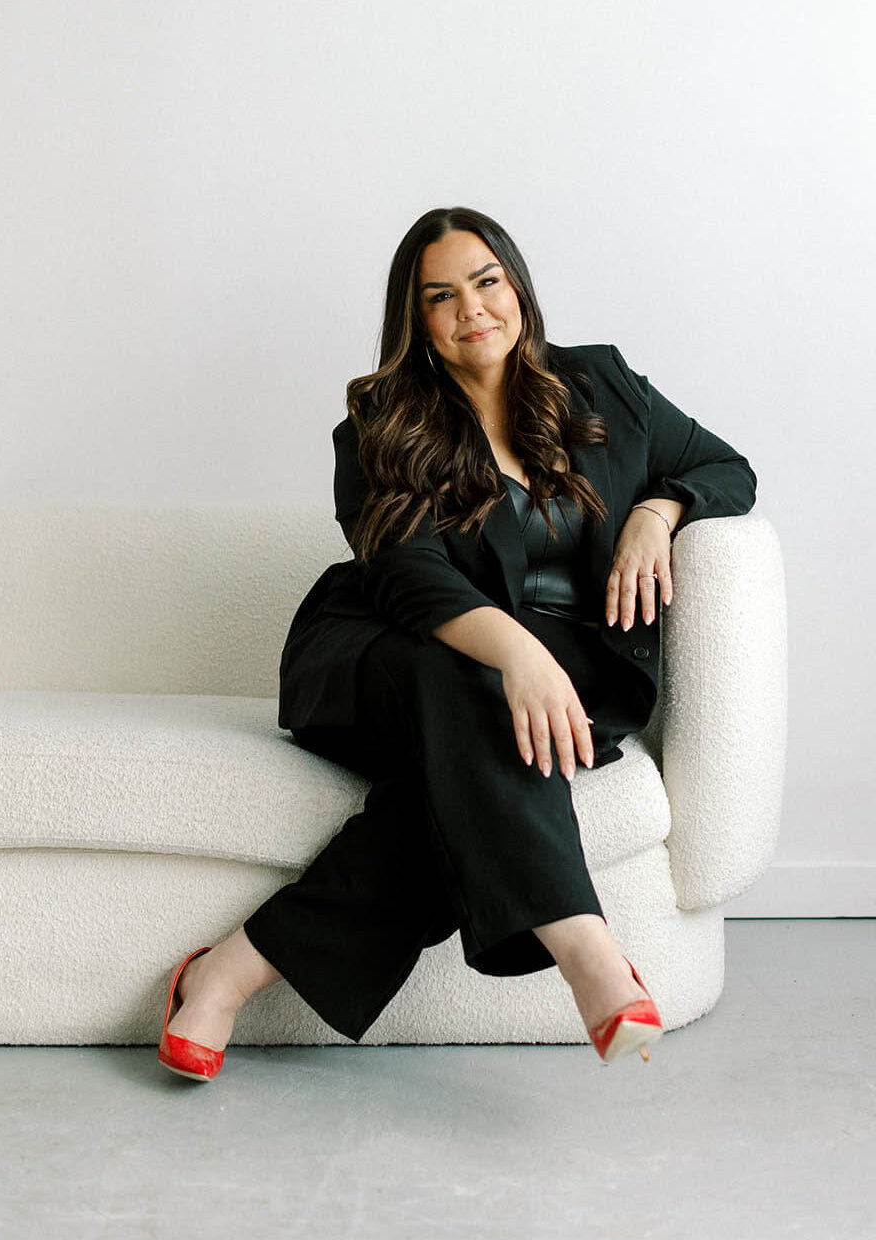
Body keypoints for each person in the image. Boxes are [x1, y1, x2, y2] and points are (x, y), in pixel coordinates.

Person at [157, 206, 757, 1081]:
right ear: (418, 321)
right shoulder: (379, 422)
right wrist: (516, 652)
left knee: (446, 790)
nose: (472, 309)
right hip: (388, 657)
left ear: (516, 287)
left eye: (487, 282)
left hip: (571, 679)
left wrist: (658, 514)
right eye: (441, 296)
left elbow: (726, 467)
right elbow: (407, 578)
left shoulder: (604, 387)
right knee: (463, 672)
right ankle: (588, 950)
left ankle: (223, 976)